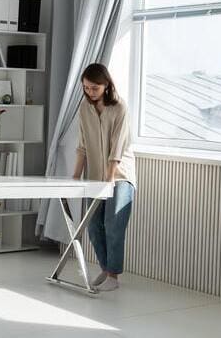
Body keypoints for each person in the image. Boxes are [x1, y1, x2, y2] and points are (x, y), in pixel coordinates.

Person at [72, 63, 136, 292]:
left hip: (119, 177)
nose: (90, 93)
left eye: (95, 88)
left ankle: (113, 276)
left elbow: (116, 149)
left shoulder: (120, 108)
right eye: (86, 88)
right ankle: (106, 268)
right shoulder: (84, 108)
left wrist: (109, 181)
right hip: (95, 177)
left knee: (113, 224)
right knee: (93, 226)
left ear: (106, 85)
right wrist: (75, 177)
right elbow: (82, 146)